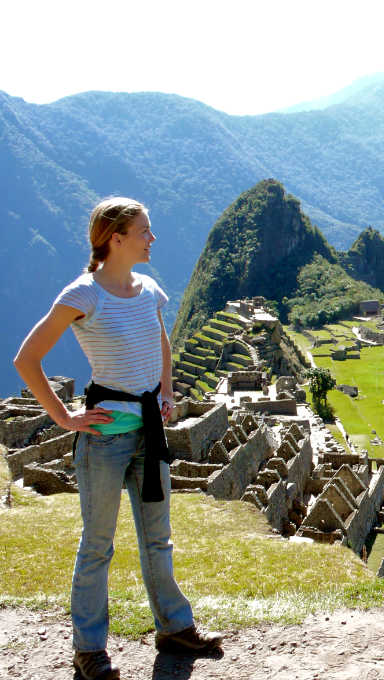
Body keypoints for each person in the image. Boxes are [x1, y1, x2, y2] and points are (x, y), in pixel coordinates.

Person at [13, 197, 222, 680]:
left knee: (158, 539)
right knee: (97, 546)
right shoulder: (84, 294)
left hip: (149, 433)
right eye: (145, 231)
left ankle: (174, 627)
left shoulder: (149, 289)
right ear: (116, 238)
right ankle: (89, 650)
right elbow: (27, 358)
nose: (153, 239)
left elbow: (161, 341)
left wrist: (167, 391)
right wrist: (65, 417)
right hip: (105, 440)